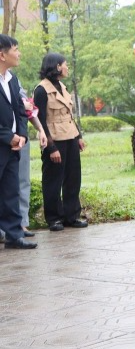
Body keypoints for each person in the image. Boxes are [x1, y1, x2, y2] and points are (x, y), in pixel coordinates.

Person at [34, 53, 87, 231]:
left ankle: (72, 216)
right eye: (65, 64)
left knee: (73, 178)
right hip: (54, 140)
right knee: (53, 181)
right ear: (57, 66)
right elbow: (40, 121)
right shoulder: (41, 90)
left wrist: (78, 137)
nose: (67, 68)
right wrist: (51, 148)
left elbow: (69, 115)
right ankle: (54, 218)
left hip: (70, 138)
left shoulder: (63, 87)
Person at [0, 35, 36, 249]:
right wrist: (7, 136)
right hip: (4, 141)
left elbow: (20, 110)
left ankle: (13, 236)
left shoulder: (12, 79)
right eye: (15, 49)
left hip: (13, 145)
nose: (19, 53)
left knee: (10, 191)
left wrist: (21, 134)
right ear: (2, 55)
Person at [14, 87, 46, 239]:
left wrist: (40, 129)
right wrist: (21, 105)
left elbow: (29, 107)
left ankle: (22, 223)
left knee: (23, 181)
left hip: (21, 136)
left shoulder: (14, 80)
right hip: (4, 137)